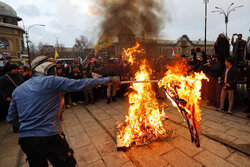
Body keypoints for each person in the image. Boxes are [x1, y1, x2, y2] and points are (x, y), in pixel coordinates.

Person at [6, 56, 120, 167]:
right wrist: (108, 79)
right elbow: (81, 83)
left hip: (27, 141)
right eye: (52, 68)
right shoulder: (51, 82)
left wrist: (29, 127)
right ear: (44, 68)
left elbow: (11, 118)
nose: (54, 71)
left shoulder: (18, 90)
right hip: (50, 138)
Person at [0, 64, 23, 129]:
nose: (16, 70)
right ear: (10, 70)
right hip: (11, 98)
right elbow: (1, 89)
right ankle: (16, 127)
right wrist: (6, 96)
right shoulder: (4, 78)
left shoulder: (19, 75)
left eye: (17, 69)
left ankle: (21, 125)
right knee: (14, 113)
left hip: (20, 96)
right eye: (14, 69)